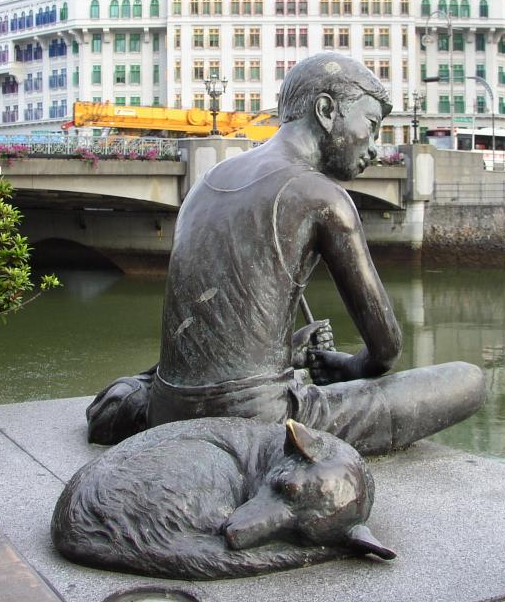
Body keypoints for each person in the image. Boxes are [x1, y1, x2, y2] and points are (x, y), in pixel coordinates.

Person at [87, 53, 485, 455]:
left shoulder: (206, 181)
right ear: (327, 111)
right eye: (372, 125)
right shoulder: (322, 195)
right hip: (261, 423)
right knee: (468, 380)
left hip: (168, 410)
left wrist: (289, 349)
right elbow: (385, 351)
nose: (376, 149)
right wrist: (346, 368)